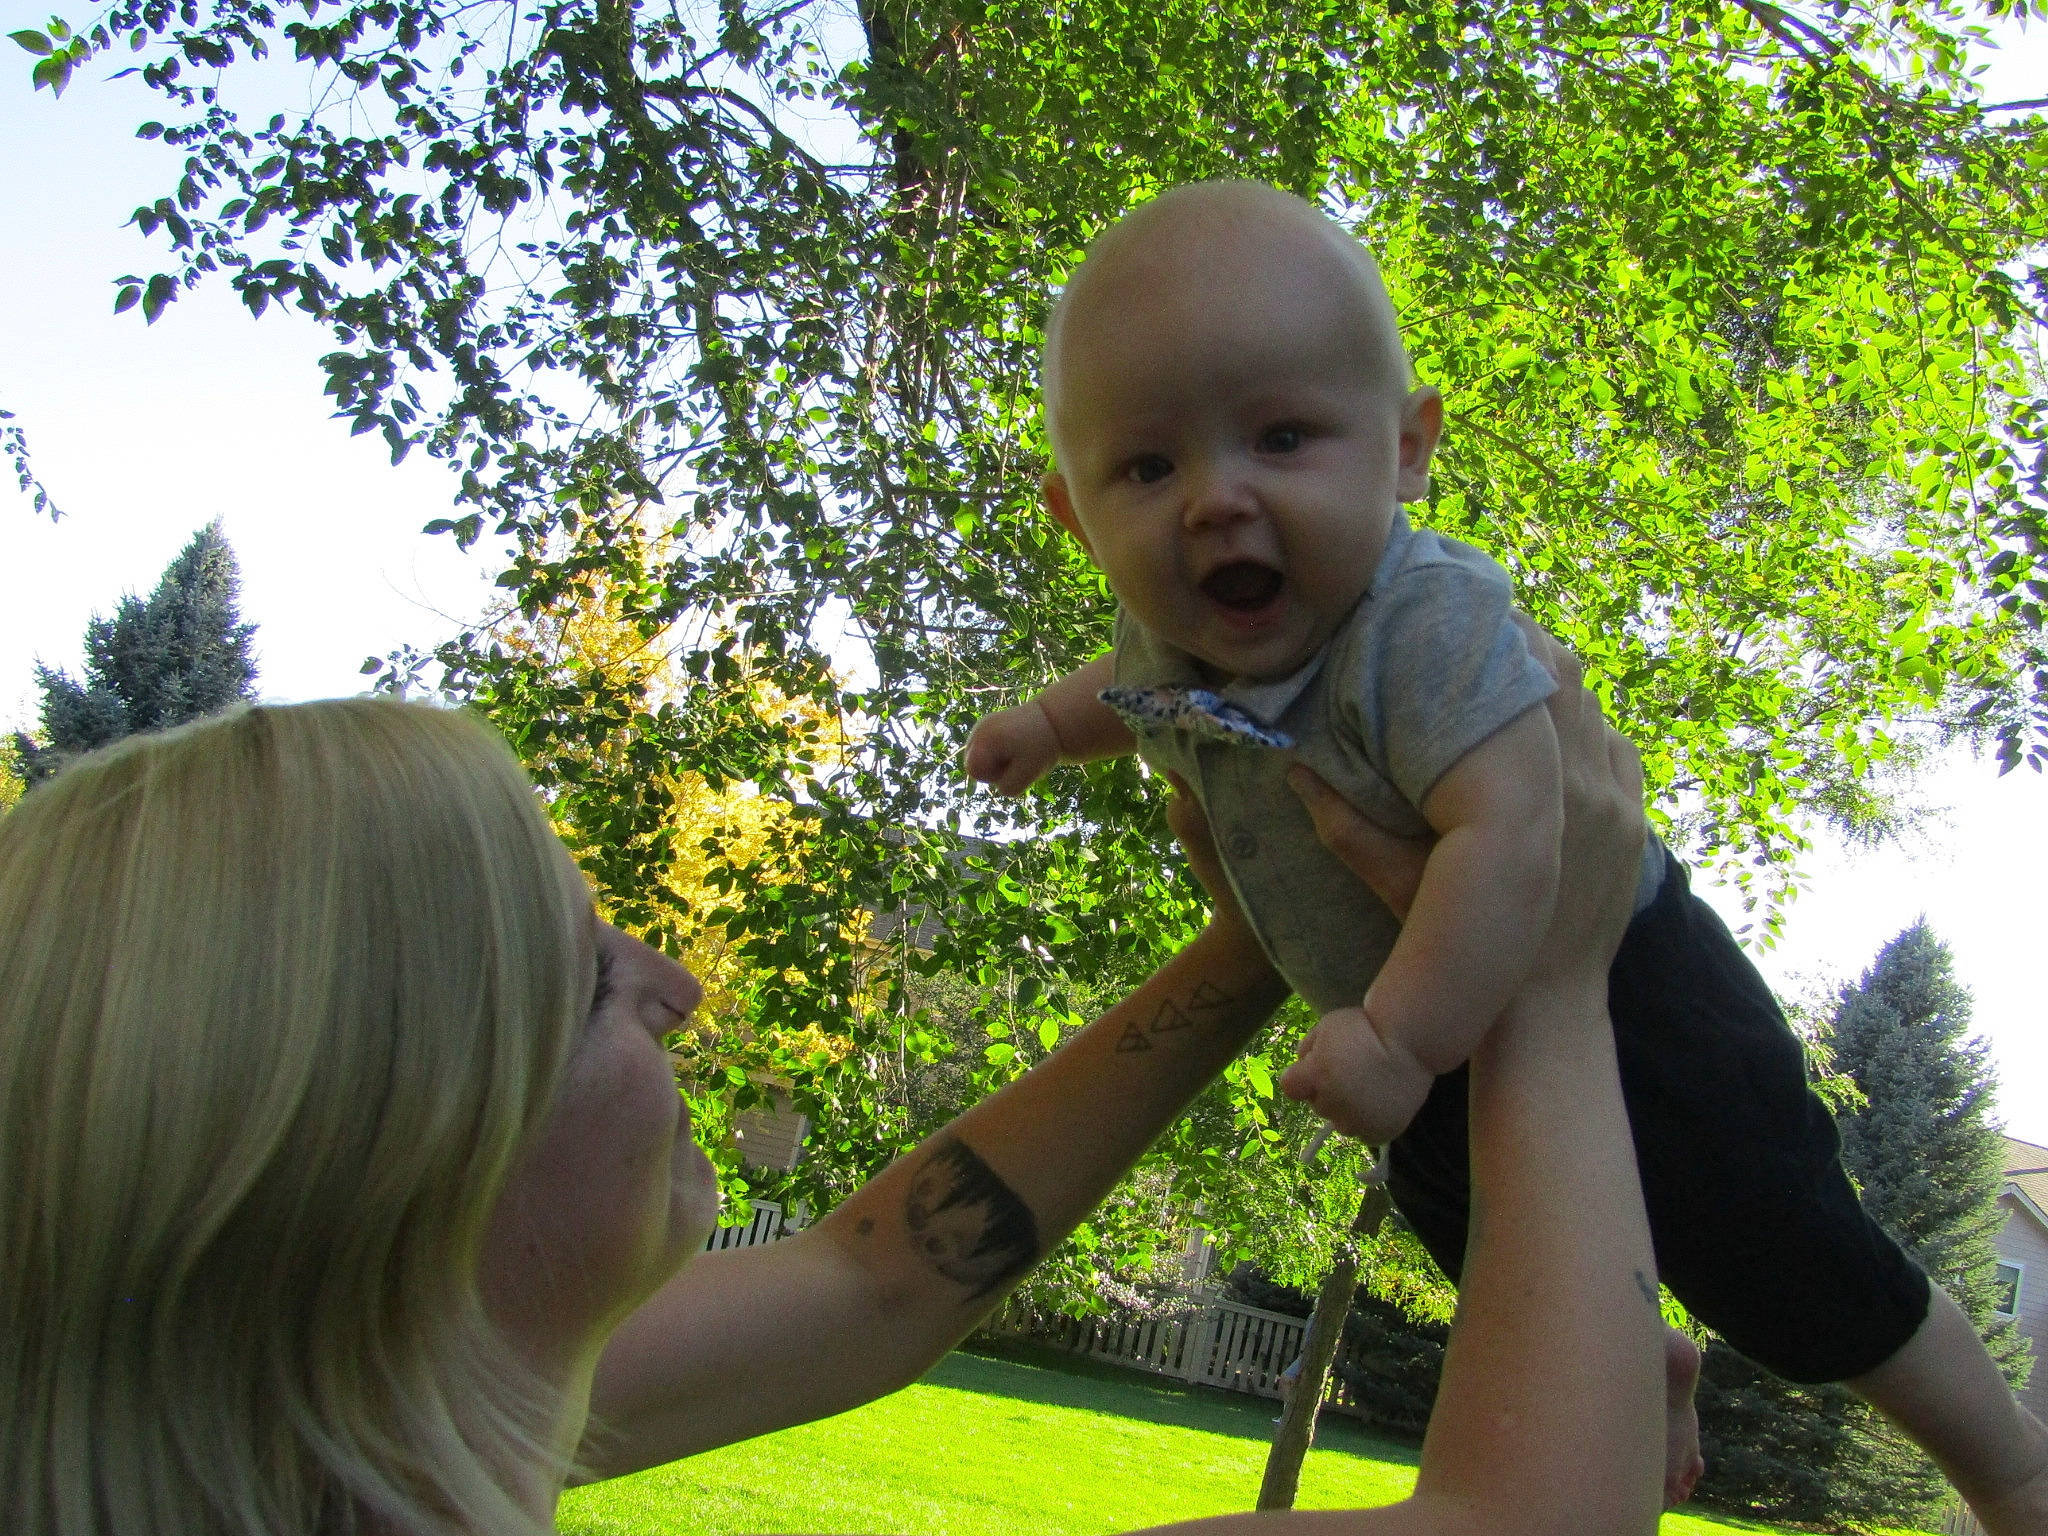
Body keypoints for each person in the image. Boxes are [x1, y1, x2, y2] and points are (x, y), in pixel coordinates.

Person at [2, 651, 1673, 1536]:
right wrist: (1544, 977)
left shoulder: (347, 1398)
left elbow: (875, 1276)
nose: (678, 984)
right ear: (393, 1155)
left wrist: (1253, 947)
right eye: (587, 976)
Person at [963, 177, 2048, 1529]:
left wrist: (1405, 1037)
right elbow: (1114, 699)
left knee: (1791, 1260)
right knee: (1493, 1262)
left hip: (1631, 988)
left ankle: (2008, 1460)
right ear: (1076, 517)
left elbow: (1510, 830)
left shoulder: (1420, 624)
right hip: (1418, 1042)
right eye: (1148, 468)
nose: (1214, 501)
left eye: (1283, 437)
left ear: (1406, 452)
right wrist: (1039, 732)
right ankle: (1637, 1362)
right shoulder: (1168, 641)